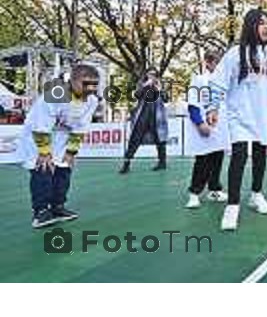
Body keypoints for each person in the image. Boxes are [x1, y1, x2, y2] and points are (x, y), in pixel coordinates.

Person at [205, 8, 267, 231]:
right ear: (250, 26)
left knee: (260, 155)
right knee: (238, 156)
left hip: (263, 115)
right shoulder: (236, 53)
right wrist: (213, 107)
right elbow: (218, 82)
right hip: (240, 115)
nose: (266, 28)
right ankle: (232, 206)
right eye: (261, 23)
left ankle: (256, 194)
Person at [17, 63, 100, 228]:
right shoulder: (55, 93)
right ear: (73, 81)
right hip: (39, 134)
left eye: (94, 84)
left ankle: (58, 207)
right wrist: (44, 152)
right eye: (86, 84)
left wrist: (71, 152)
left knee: (64, 170)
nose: (90, 88)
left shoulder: (92, 100)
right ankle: (41, 211)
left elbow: (81, 127)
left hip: (62, 136)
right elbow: (41, 125)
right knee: (43, 169)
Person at [184, 51, 228, 208]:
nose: (219, 66)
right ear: (208, 63)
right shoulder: (199, 81)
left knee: (217, 159)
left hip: (221, 130)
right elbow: (193, 104)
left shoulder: (225, 83)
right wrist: (200, 123)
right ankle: (194, 193)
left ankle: (214, 189)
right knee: (203, 161)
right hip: (205, 128)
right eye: (216, 62)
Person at [119, 67, 168, 174]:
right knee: (134, 140)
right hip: (142, 116)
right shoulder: (142, 84)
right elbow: (136, 95)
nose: (152, 76)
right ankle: (126, 165)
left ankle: (162, 163)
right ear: (146, 74)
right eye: (150, 74)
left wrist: (159, 89)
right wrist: (145, 85)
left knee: (160, 140)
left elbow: (166, 99)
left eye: (154, 74)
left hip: (157, 117)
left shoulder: (160, 85)